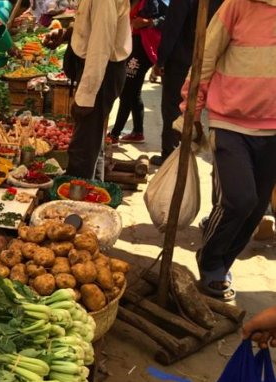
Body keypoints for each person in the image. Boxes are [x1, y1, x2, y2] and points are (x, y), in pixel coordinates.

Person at [184, 0, 276, 301]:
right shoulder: (236, 5)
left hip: (273, 129)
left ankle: (221, 265)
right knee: (239, 200)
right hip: (231, 124)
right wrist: (191, 109)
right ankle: (210, 259)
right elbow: (205, 57)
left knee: (255, 209)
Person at [43, 0, 132, 179]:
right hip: (101, 69)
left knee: (83, 148)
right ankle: (91, 186)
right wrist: (68, 34)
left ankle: (77, 196)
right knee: (91, 140)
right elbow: (93, 26)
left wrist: (86, 97)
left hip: (102, 71)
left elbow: (101, 47)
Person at [150, 0, 223, 166]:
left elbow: (172, 28)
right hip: (208, 61)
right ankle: (179, 153)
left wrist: (161, 60)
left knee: (173, 108)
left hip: (181, 61)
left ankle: (170, 154)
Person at [108, 0, 168, 145]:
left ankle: (114, 134)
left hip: (144, 47)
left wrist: (149, 22)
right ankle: (138, 132)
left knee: (127, 90)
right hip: (134, 44)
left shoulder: (154, 2)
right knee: (133, 90)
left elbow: (170, 18)